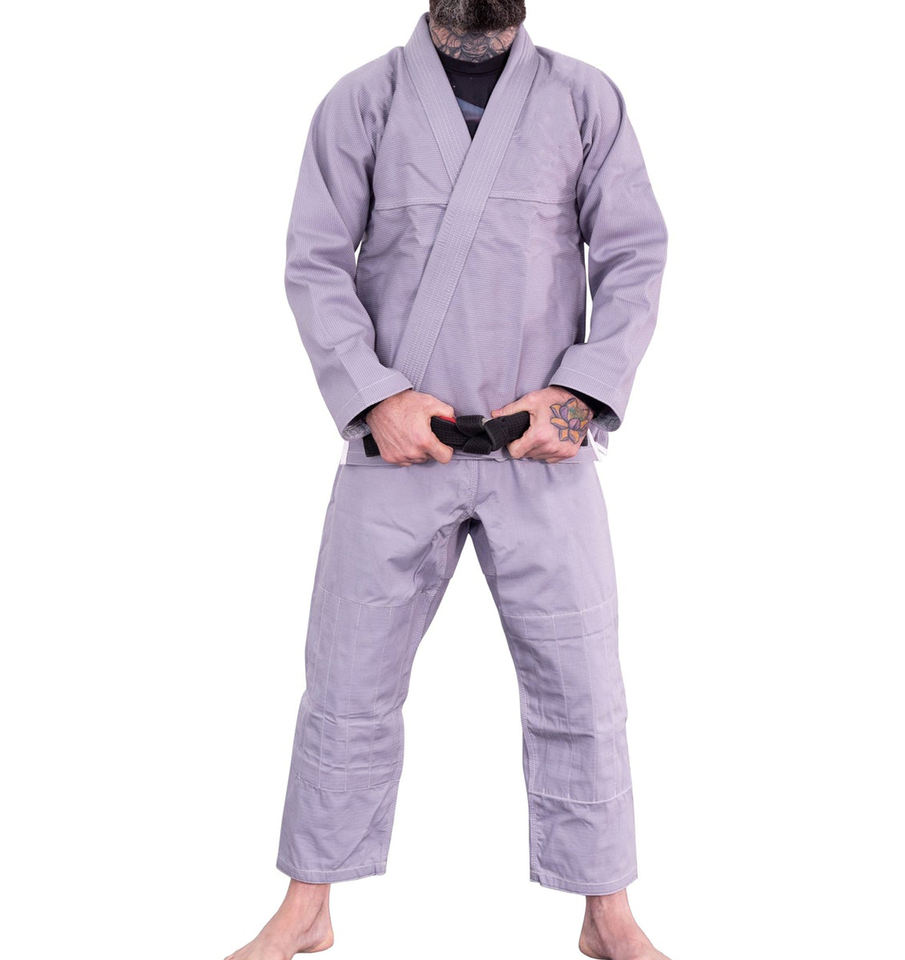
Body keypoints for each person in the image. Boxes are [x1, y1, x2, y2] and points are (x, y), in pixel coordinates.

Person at [226, 1, 669, 957]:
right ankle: (308, 905)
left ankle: (609, 913)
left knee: (584, 683)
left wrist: (580, 400)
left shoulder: (584, 100)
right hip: (397, 446)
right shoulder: (362, 102)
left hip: (540, 446)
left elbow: (635, 255)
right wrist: (374, 396)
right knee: (345, 679)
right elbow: (314, 263)